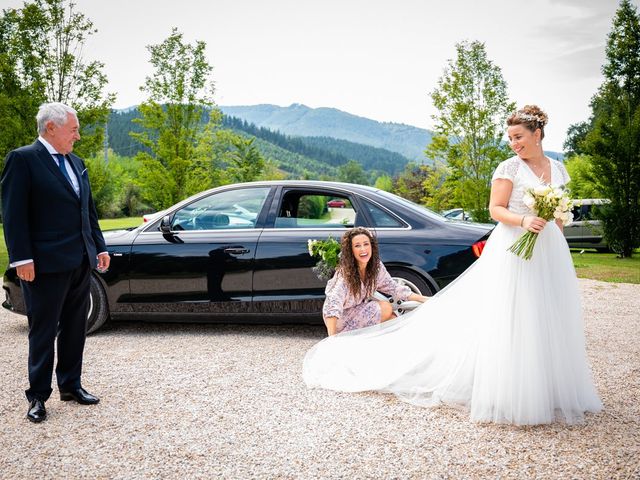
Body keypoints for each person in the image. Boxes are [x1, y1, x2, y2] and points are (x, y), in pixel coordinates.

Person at [303, 105, 603, 426]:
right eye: (510, 138)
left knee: (547, 313)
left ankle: (549, 387)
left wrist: (554, 242)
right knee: (514, 314)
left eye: (519, 137)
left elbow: (559, 214)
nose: (514, 143)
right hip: (513, 248)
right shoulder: (509, 168)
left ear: (538, 133)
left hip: (547, 248)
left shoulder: (558, 169)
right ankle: (511, 391)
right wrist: (524, 218)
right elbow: (496, 210)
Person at [1, 102, 110, 423]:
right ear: (51, 127)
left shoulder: (77, 163)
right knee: (43, 330)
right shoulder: (23, 160)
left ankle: (70, 385)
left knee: (76, 327)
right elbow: (13, 214)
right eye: (73, 129)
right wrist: (22, 257)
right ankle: (37, 396)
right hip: (43, 264)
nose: (77, 136)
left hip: (79, 261)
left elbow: (87, 211)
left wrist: (99, 247)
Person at [322, 227, 428, 336]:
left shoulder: (376, 267)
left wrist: (424, 299)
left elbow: (393, 288)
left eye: (366, 244)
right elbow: (332, 306)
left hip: (357, 310)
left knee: (393, 320)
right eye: (357, 246)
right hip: (339, 319)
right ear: (351, 250)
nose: (363, 249)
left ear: (371, 246)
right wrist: (332, 339)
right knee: (386, 307)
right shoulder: (345, 276)